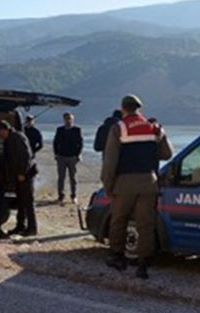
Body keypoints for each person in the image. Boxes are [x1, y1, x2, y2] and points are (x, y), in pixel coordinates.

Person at [101, 94, 174, 279]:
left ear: (123, 108)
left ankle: (117, 256)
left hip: (124, 183)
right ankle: (143, 264)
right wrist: (159, 138)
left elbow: (110, 162)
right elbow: (167, 154)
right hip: (148, 183)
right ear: (139, 108)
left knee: (119, 220)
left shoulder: (119, 127)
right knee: (146, 224)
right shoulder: (153, 127)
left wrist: (108, 186)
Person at [0, 120, 38, 237]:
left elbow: (26, 156)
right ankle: (20, 226)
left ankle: (32, 228)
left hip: (25, 175)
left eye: (0, 132)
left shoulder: (18, 137)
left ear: (5, 130)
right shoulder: (8, 140)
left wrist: (22, 173)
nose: (0, 135)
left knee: (28, 201)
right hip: (17, 176)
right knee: (20, 201)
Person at [53, 112, 83, 203]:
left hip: (72, 157)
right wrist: (56, 154)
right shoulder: (60, 130)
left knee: (73, 177)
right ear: (64, 119)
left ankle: (73, 195)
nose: (68, 120)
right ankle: (61, 196)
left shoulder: (77, 130)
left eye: (69, 118)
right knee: (61, 177)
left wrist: (78, 155)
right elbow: (55, 142)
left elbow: (81, 144)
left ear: (72, 119)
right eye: (66, 118)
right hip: (61, 156)